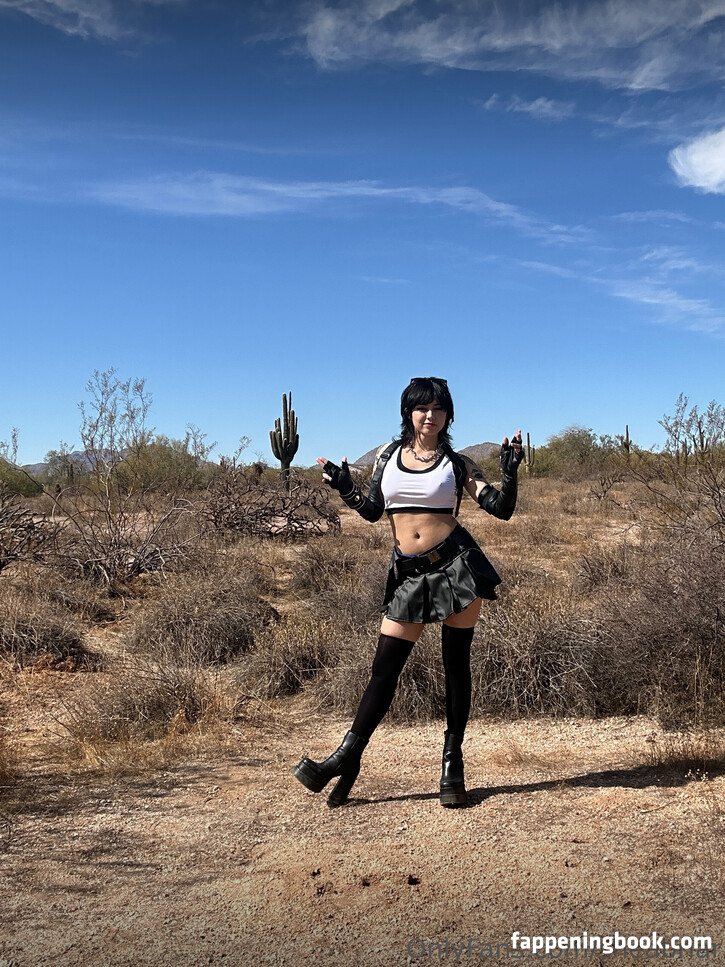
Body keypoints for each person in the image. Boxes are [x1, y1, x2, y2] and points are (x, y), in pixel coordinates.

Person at [293, 377, 523, 808]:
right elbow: (372, 510)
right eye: (422, 408)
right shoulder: (387, 457)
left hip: (457, 568)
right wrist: (345, 488)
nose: (430, 415)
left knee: (456, 666)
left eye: (438, 408)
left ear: (448, 414)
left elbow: (501, 508)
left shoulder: (458, 464)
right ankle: (347, 757)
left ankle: (452, 765)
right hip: (409, 575)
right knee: (383, 669)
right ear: (408, 413)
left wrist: (509, 474)